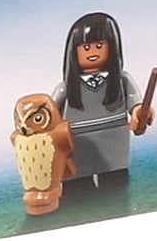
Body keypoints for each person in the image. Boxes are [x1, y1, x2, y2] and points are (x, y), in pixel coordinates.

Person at [57, 11, 152, 192]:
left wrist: (139, 112)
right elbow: (48, 113)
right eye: (86, 47)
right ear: (73, 51)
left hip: (114, 148)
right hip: (77, 147)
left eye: (99, 45)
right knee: (77, 194)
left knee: (116, 191)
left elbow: (135, 102)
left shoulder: (121, 81)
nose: (93, 52)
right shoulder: (66, 88)